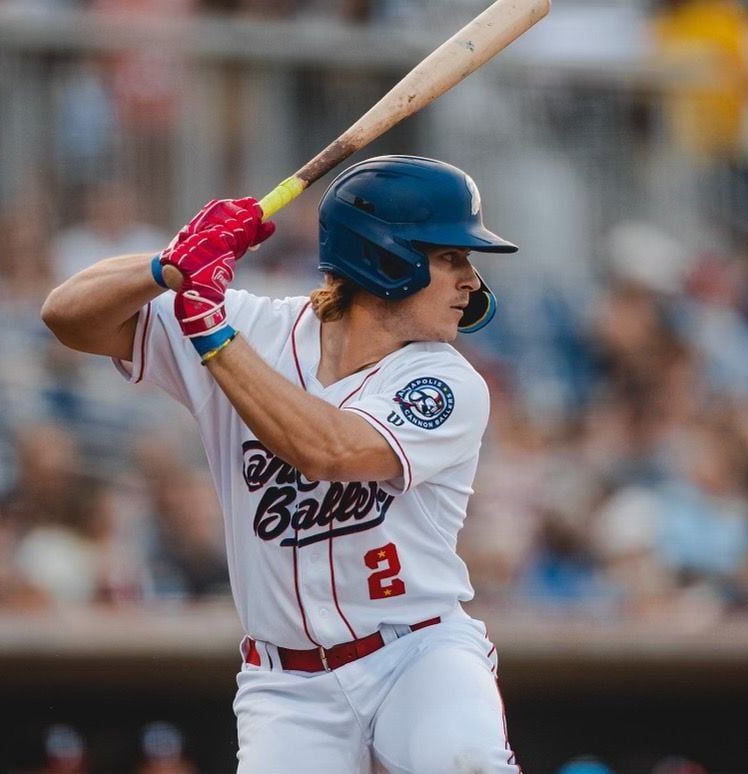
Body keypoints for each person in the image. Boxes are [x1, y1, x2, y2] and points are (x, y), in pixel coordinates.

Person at [42, 155, 520, 773]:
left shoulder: (445, 381)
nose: (469, 281)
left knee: (466, 762)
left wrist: (212, 336)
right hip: (288, 684)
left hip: (417, 655)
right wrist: (166, 267)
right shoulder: (255, 327)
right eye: (450, 257)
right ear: (385, 258)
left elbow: (330, 451)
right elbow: (68, 316)